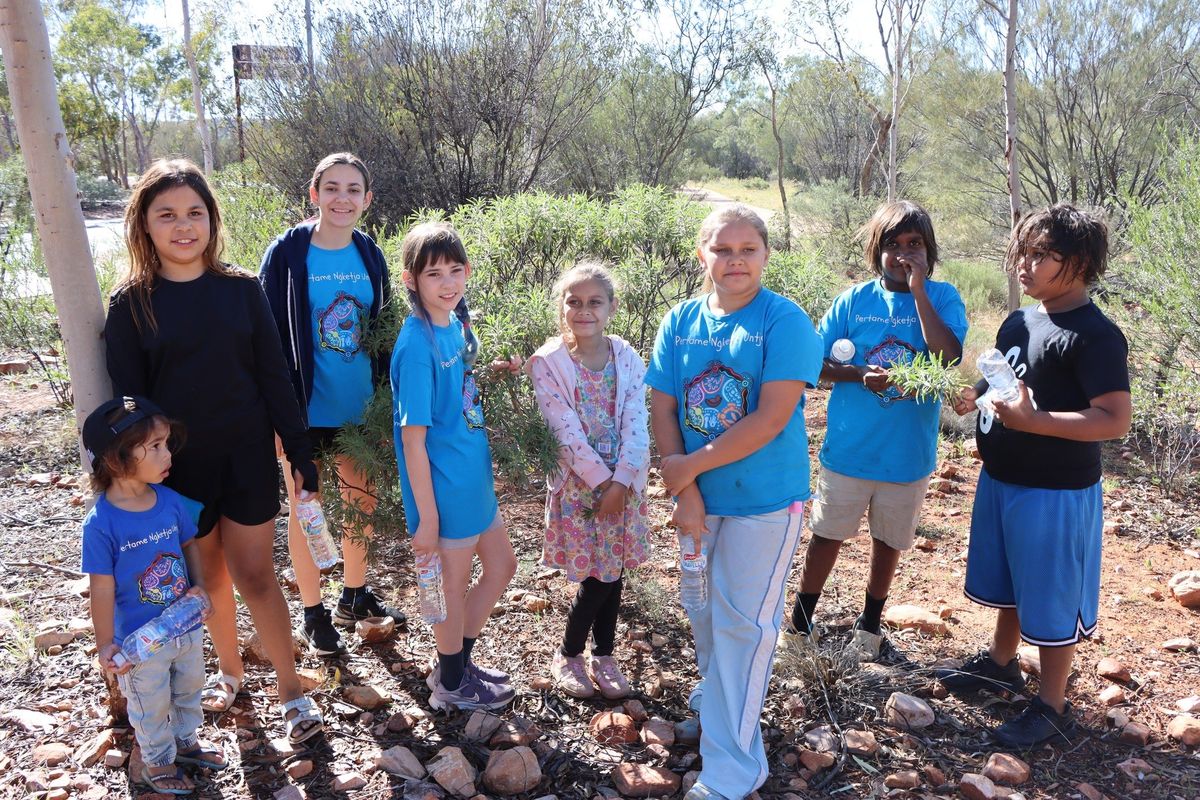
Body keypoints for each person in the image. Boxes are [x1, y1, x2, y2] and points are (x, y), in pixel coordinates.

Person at [104, 159, 324, 743]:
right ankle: (229, 673)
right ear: (144, 227)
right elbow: (130, 404)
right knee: (210, 579)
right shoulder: (131, 305)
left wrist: (299, 452)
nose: (183, 226)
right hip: (176, 473)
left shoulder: (241, 289)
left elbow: (275, 376)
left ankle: (291, 691)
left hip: (246, 456)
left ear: (211, 220)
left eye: (195, 213)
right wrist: (137, 477)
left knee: (256, 574)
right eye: (167, 215)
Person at [936, 203, 1131, 749]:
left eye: (1042, 255)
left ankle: (1052, 704)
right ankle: (1000, 662)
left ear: (1082, 263)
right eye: (1023, 251)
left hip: (1056, 491)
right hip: (1003, 476)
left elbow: (1114, 418)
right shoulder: (1023, 318)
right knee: (1012, 579)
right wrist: (972, 394)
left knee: (1047, 591)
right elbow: (1002, 371)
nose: (1025, 264)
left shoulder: (1095, 335)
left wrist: (1036, 421)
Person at [648, 204, 823, 800]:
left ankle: (733, 769)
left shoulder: (784, 321)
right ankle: (719, 701)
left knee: (743, 626)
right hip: (700, 501)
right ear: (704, 255)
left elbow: (772, 418)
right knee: (701, 608)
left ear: (766, 255)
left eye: (748, 249)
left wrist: (685, 469)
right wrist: (687, 491)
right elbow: (664, 407)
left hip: (763, 503)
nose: (736, 260)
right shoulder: (680, 320)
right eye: (723, 249)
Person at [782, 201, 968, 662]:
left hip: (906, 455)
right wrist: (860, 373)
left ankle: (870, 624)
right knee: (827, 533)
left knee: (889, 539)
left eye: (914, 245)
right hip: (849, 449)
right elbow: (818, 364)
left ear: (929, 251)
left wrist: (919, 291)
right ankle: (801, 623)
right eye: (893, 245)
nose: (903, 254)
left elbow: (947, 357)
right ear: (876, 250)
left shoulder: (943, 298)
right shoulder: (854, 300)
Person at [260, 152, 404, 656]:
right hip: (303, 413)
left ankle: (354, 595)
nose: (342, 198)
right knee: (309, 514)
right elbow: (268, 338)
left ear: (367, 200)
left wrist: (387, 404)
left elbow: (385, 331)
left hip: (360, 410)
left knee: (361, 505)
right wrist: (277, 417)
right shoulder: (287, 254)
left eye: (353, 190)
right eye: (332, 188)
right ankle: (313, 612)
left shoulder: (369, 253)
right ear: (314, 194)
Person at [390, 221, 519, 711]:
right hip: (443, 491)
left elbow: (458, 387)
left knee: (502, 566)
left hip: (474, 480)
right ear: (411, 280)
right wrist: (426, 519)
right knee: (448, 589)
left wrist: (491, 372)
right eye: (433, 274)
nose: (447, 283)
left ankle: (458, 661)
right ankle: (449, 683)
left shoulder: (455, 324)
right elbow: (413, 440)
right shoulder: (416, 347)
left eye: (455, 270)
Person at [82, 396, 226, 795]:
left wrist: (199, 588)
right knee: (150, 702)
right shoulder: (101, 524)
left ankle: (185, 742)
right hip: (139, 642)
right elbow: (101, 587)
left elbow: (189, 544)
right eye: (156, 446)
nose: (168, 454)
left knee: (190, 685)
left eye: (166, 443)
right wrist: (105, 643)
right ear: (116, 459)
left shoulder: (169, 501)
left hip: (184, 623)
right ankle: (157, 762)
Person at [526, 262, 651, 700]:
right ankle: (570, 653)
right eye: (574, 302)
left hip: (624, 483)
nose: (584, 311)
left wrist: (623, 481)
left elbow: (638, 419)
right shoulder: (548, 362)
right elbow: (564, 431)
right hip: (582, 486)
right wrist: (603, 484)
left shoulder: (627, 356)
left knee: (612, 570)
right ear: (561, 307)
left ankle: (604, 653)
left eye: (594, 302)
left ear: (611, 307)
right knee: (597, 577)